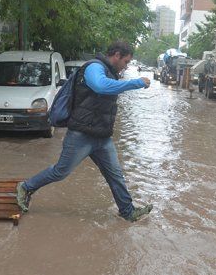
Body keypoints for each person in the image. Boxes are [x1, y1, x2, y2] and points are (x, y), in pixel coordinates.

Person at [16, 41, 153, 222]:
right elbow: (101, 86)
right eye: (126, 62)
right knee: (61, 171)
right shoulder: (94, 68)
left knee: (115, 175)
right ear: (117, 55)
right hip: (81, 134)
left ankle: (127, 212)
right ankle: (26, 187)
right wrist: (136, 83)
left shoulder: (110, 72)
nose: (126, 66)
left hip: (102, 137)